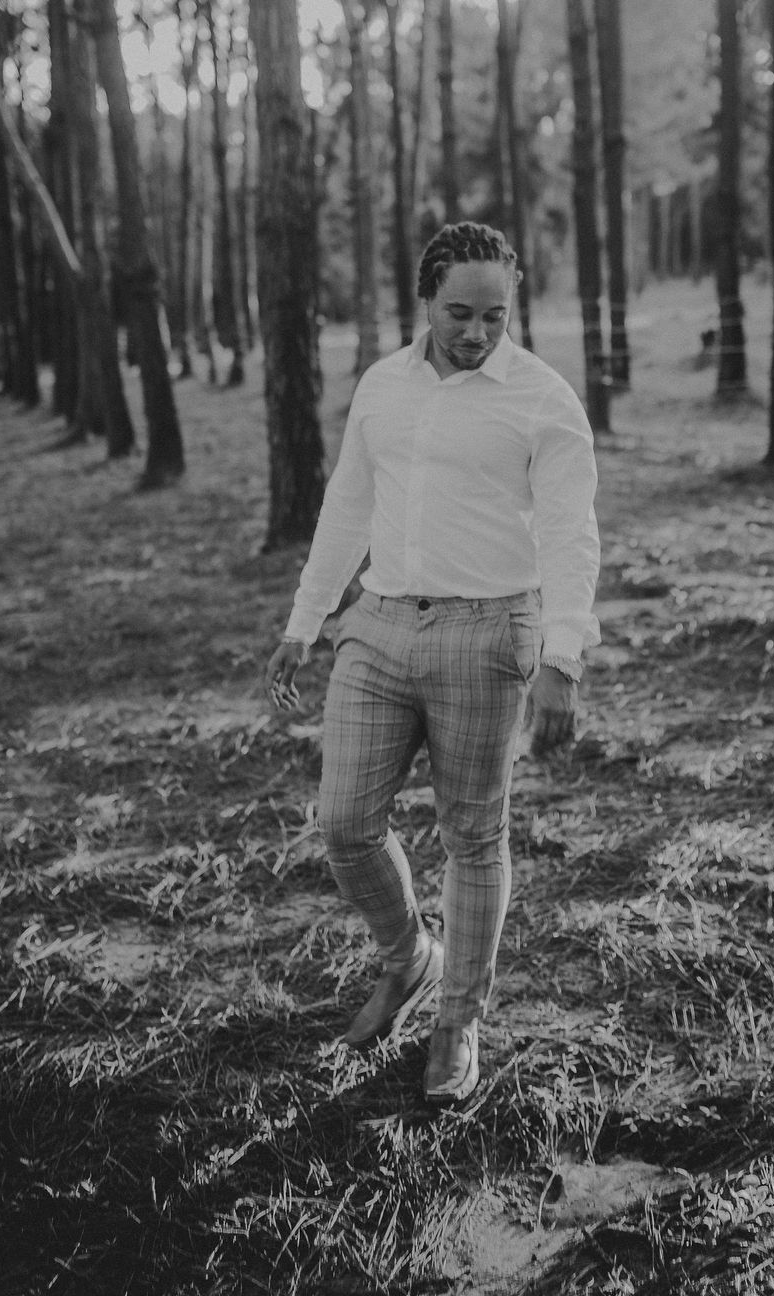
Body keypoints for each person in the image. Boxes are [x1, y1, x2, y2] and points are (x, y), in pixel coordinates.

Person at [265, 222, 600, 1105]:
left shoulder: (543, 399)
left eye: (495, 315)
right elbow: (346, 507)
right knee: (343, 823)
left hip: (489, 634)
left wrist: (564, 656)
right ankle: (410, 956)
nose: (478, 333)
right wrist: (305, 621)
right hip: (375, 626)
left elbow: (571, 535)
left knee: (472, 837)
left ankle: (459, 1020)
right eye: (460, 312)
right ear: (427, 298)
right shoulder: (383, 385)